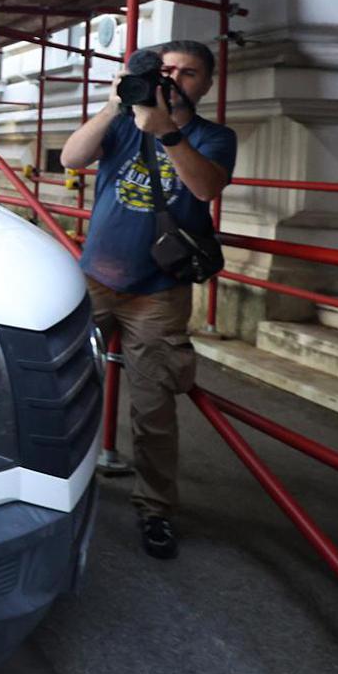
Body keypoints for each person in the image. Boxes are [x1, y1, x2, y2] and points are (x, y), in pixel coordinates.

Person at [59, 39, 236, 559]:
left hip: (158, 292)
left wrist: (167, 133)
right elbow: (71, 157)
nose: (174, 79)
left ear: (206, 84)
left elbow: (204, 189)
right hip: (95, 279)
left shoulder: (213, 136)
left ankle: (155, 509)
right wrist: (114, 103)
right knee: (62, 388)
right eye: (166, 70)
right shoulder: (121, 124)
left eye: (188, 73)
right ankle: (54, 488)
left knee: (154, 409)